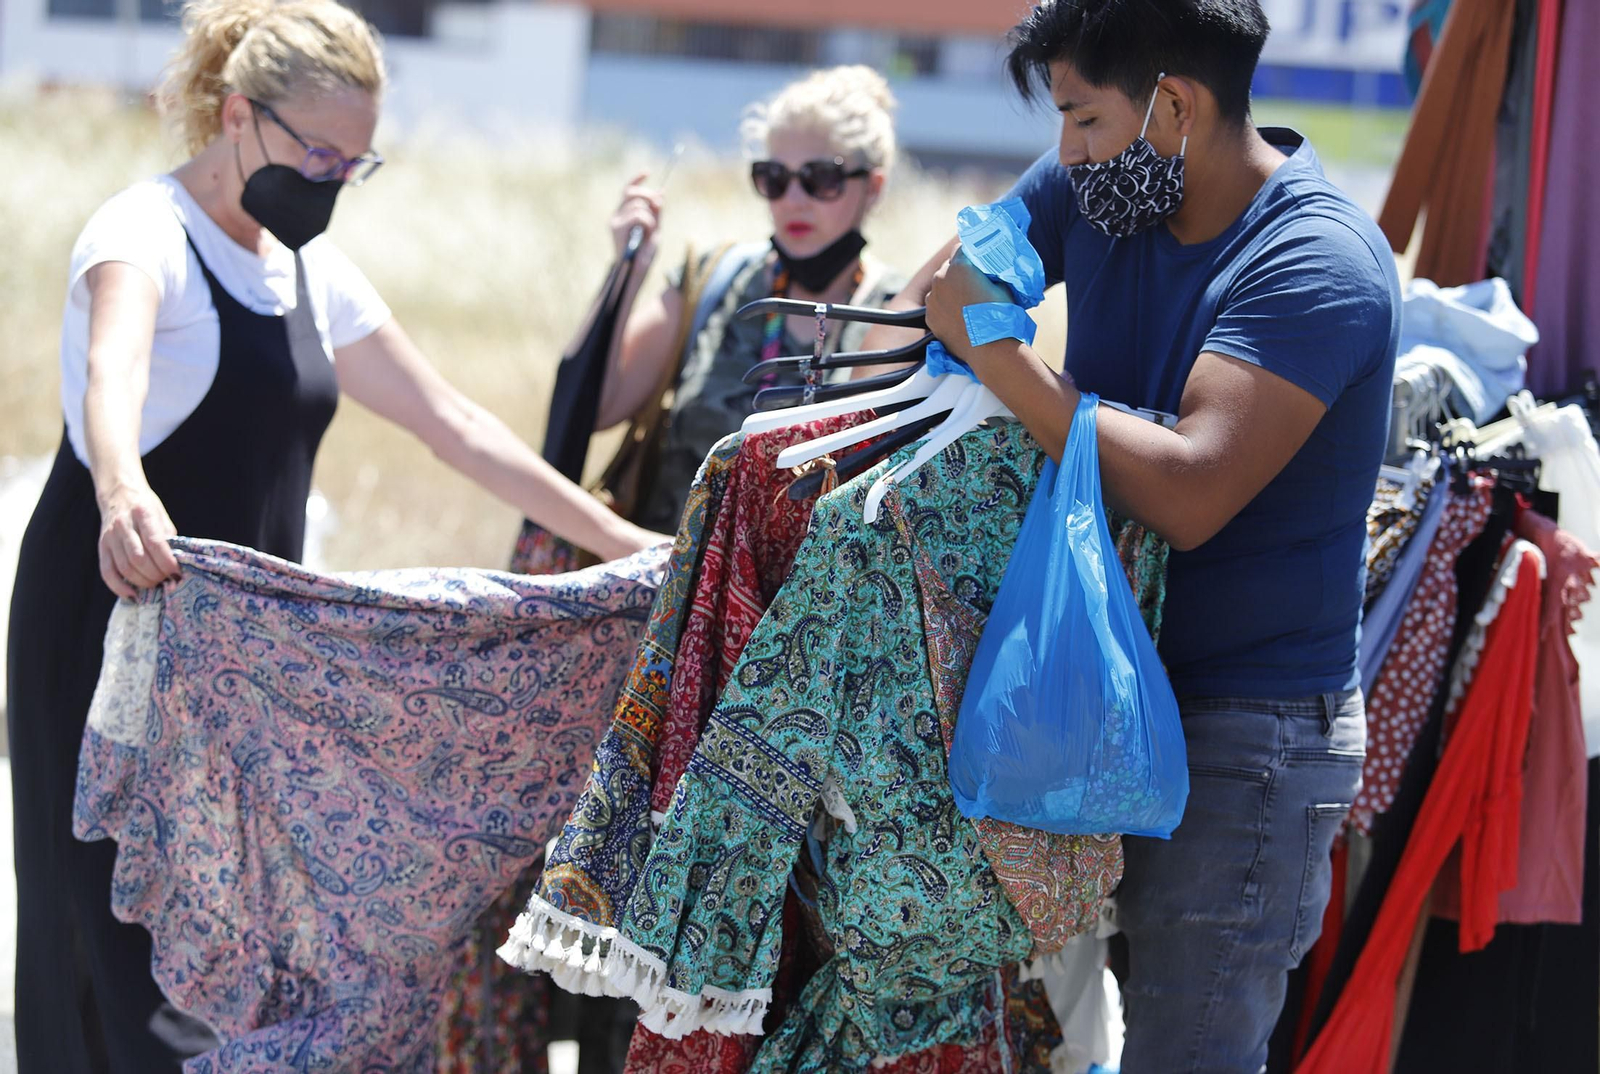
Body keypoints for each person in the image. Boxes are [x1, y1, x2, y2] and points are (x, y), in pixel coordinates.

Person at [4, 0, 664, 1068]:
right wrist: (123, 487)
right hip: (109, 616)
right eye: (313, 151)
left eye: (352, 164)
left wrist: (619, 537)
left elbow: (453, 424)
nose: (327, 181)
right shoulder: (142, 233)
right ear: (235, 117)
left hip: (248, 665)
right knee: (110, 935)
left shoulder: (309, 274)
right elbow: (108, 371)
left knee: (237, 933)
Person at [895, 2, 1401, 1070]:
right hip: (1093, 697)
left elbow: (1187, 489)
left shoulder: (1317, 260)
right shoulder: (1106, 184)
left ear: (1174, 104)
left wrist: (999, 353)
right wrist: (970, 305)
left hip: (1244, 737)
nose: (1062, 154)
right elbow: (940, 289)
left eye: (1081, 119)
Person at [590, 65, 906, 533]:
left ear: (873, 188)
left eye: (821, 179)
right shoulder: (713, 281)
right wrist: (625, 274)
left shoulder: (900, 316)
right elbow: (598, 409)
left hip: (796, 604)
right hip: (661, 583)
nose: (793, 199)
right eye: (775, 177)